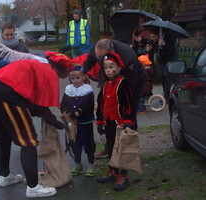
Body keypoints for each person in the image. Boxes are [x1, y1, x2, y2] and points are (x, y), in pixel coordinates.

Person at [0, 51, 74, 198]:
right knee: (28, 141)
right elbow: (42, 105)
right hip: (7, 97)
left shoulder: (38, 63)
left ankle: (5, 176)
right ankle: (33, 187)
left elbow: (32, 99)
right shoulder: (48, 71)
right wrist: (57, 123)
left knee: (3, 139)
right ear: (59, 68)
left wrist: (45, 115)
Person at [83, 39, 144, 158]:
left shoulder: (127, 56)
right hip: (109, 78)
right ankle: (110, 147)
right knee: (108, 112)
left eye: (102, 58)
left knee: (128, 113)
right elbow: (88, 63)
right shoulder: (96, 50)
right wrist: (83, 73)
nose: (99, 61)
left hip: (132, 78)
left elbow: (129, 84)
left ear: (112, 52)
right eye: (98, 58)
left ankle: (129, 149)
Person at [95, 51, 135, 191]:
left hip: (122, 123)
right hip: (109, 123)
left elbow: (129, 103)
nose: (109, 70)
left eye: (112, 67)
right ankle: (113, 171)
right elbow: (101, 104)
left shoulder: (124, 83)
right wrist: (100, 122)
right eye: (106, 67)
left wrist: (128, 119)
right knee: (111, 147)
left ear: (119, 68)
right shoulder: (105, 85)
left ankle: (124, 176)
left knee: (122, 149)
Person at [60, 64, 96, 177]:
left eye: (78, 78)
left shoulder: (88, 91)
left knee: (88, 142)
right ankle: (77, 163)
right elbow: (63, 104)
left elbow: (90, 106)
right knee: (74, 142)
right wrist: (66, 110)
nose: (75, 80)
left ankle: (91, 164)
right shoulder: (68, 90)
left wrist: (80, 111)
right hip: (72, 123)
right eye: (73, 78)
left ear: (84, 77)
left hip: (85, 121)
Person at [146, 28, 178, 101]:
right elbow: (155, 50)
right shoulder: (154, 42)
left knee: (167, 77)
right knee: (163, 77)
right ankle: (165, 94)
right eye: (151, 37)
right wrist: (148, 50)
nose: (152, 38)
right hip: (161, 61)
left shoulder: (168, 39)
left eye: (154, 36)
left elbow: (172, 51)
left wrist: (164, 45)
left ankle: (167, 96)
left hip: (168, 60)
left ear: (158, 35)